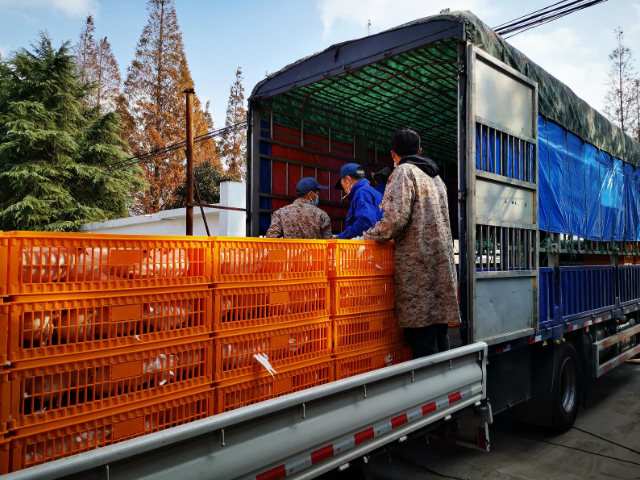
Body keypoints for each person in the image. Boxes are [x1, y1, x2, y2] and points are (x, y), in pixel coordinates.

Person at [364, 129, 459, 358]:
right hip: (441, 270)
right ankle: (444, 386)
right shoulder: (436, 178)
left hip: (418, 273)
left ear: (393, 155)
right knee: (439, 337)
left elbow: (394, 221)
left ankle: (430, 391)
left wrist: (368, 236)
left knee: (422, 343)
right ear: (419, 151)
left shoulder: (403, 172)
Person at [266, 177, 332, 239]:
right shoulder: (321, 215)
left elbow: (271, 238)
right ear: (310, 194)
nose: (317, 197)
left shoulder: (280, 213)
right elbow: (329, 244)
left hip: (290, 251)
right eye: (317, 194)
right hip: (315, 251)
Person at [335, 163, 383, 239]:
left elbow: (366, 222)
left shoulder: (361, 192)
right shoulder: (376, 193)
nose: (344, 190)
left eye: (342, 184)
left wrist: (341, 237)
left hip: (368, 247)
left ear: (348, 180)